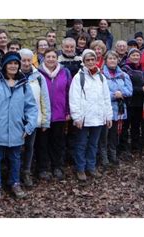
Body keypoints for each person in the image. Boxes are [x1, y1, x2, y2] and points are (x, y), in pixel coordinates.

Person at [0, 52, 38, 202]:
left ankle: (15, 183)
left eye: (16, 63)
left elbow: (31, 107)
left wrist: (28, 127)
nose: (13, 66)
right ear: (4, 65)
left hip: (17, 128)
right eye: (10, 63)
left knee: (16, 158)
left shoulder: (24, 85)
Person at [69, 49, 113, 181]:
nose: (90, 62)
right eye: (87, 60)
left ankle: (91, 167)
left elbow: (106, 98)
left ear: (96, 61)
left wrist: (108, 116)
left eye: (92, 59)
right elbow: (74, 98)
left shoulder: (101, 77)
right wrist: (76, 117)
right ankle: (81, 168)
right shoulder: (79, 77)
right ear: (83, 61)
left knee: (94, 144)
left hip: (98, 117)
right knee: (81, 143)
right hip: (84, 117)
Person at [37, 48, 72, 181]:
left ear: (57, 58)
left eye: (53, 56)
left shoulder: (65, 72)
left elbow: (69, 92)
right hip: (44, 114)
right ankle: (43, 168)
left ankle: (57, 166)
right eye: (48, 57)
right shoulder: (38, 73)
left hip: (60, 113)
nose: (51, 59)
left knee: (58, 142)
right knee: (43, 142)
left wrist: (68, 111)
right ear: (43, 58)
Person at [19, 48, 51, 186]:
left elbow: (45, 98)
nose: (26, 63)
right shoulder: (13, 75)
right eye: (23, 60)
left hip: (33, 119)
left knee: (29, 147)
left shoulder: (38, 76)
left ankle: (26, 172)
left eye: (28, 60)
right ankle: (14, 173)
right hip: (16, 120)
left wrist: (45, 120)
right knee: (16, 149)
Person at [98, 51, 132, 167]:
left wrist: (121, 93)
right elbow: (99, 93)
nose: (112, 61)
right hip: (106, 110)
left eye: (114, 58)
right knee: (104, 135)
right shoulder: (101, 75)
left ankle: (113, 155)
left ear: (118, 60)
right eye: (110, 58)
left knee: (114, 135)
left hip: (119, 110)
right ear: (106, 60)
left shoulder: (123, 75)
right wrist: (113, 95)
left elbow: (129, 91)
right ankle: (104, 157)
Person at [122, 48, 144, 154]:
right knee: (126, 125)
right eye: (133, 55)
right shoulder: (125, 69)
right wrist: (141, 89)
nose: (135, 57)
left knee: (136, 125)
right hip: (128, 102)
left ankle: (135, 145)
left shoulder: (143, 69)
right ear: (129, 57)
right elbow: (125, 86)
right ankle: (123, 146)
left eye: (137, 55)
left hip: (140, 102)